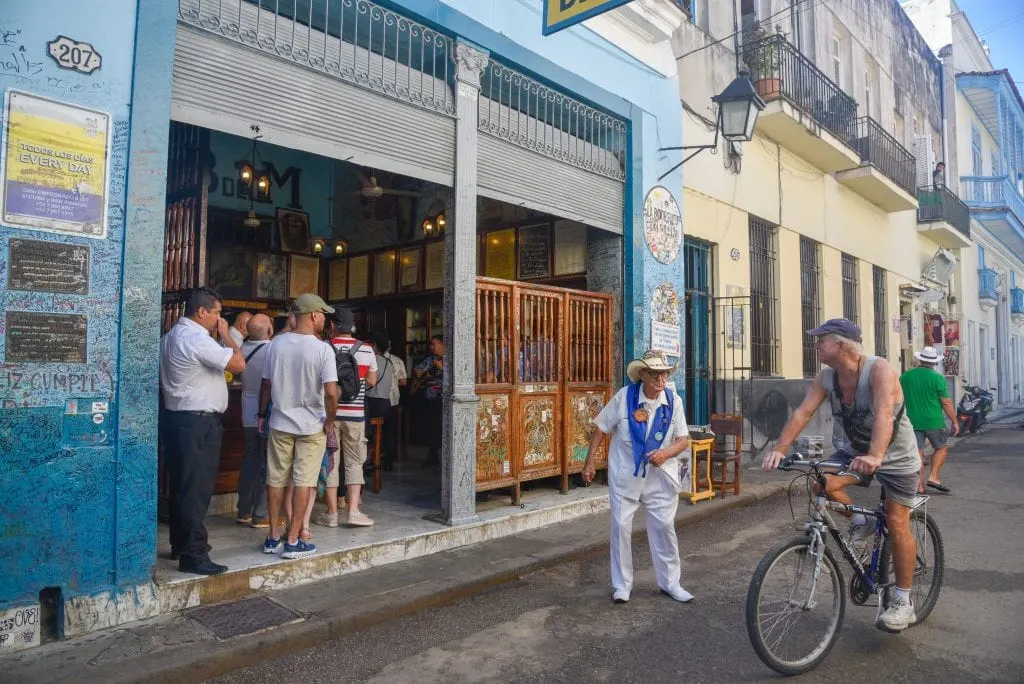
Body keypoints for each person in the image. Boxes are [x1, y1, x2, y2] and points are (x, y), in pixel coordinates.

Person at [762, 318, 922, 632]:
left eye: (820, 339)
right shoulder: (827, 377)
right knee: (821, 481)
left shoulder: (879, 371)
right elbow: (803, 412)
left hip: (896, 456)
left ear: (841, 344)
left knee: (897, 521)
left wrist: (876, 455)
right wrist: (780, 448)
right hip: (853, 452)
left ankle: (903, 602)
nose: (815, 344)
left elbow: (885, 416)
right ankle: (861, 522)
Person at [581, 350, 693, 605]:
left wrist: (665, 454)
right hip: (626, 474)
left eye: (663, 373)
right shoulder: (624, 397)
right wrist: (589, 463)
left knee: (664, 528)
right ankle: (622, 586)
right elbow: (600, 429)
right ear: (641, 375)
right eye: (654, 373)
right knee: (621, 528)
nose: (660, 378)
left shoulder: (673, 401)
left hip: (660, 474)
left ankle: (670, 583)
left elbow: (683, 440)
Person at [160, 287, 246, 575]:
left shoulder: (171, 337)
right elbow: (238, 363)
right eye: (218, 313)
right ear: (202, 312)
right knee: (195, 490)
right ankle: (194, 555)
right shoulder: (196, 338)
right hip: (197, 423)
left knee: (183, 487)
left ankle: (180, 544)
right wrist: (227, 336)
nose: (219, 318)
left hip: (178, 420)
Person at [258, 294, 339, 559]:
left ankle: (272, 537)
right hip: (311, 426)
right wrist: (329, 421)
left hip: (280, 422)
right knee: (304, 481)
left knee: (275, 480)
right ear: (314, 315)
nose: (325, 318)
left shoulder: (275, 345)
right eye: (323, 314)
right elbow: (330, 392)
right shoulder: (322, 349)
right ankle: (293, 541)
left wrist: (262, 415)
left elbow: (267, 385)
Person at [318, 308, 378, 528]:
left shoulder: (325, 348)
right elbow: (371, 381)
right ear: (352, 326)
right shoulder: (366, 349)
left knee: (331, 462)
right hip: (355, 415)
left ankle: (332, 513)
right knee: (354, 462)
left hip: (329, 415)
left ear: (332, 326)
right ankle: (354, 511)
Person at [900, 346, 959, 494]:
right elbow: (946, 402)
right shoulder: (937, 378)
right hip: (933, 421)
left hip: (911, 421)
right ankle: (933, 477)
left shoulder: (905, 377)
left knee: (917, 452)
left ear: (920, 359)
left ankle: (919, 486)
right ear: (934, 363)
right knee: (941, 447)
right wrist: (955, 421)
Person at [236, 313, 273, 528]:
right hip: (264, 413)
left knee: (249, 462)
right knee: (266, 463)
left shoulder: (241, 349)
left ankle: (244, 511)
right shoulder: (271, 350)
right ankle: (261, 514)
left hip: (246, 414)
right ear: (269, 331)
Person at [366, 330, 405, 472]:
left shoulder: (372, 360)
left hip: (373, 403)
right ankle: (386, 460)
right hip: (386, 403)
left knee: (365, 432)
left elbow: (370, 382)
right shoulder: (390, 362)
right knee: (388, 433)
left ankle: (368, 460)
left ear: (374, 345)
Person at [412, 335, 444, 467]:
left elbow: (456, 376)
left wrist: (441, 368)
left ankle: (437, 454)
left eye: (434, 344)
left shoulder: (449, 359)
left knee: (439, 427)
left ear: (442, 345)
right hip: (429, 397)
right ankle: (432, 455)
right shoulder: (430, 359)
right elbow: (420, 368)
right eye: (430, 345)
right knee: (430, 427)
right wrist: (417, 372)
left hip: (442, 398)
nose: (431, 347)